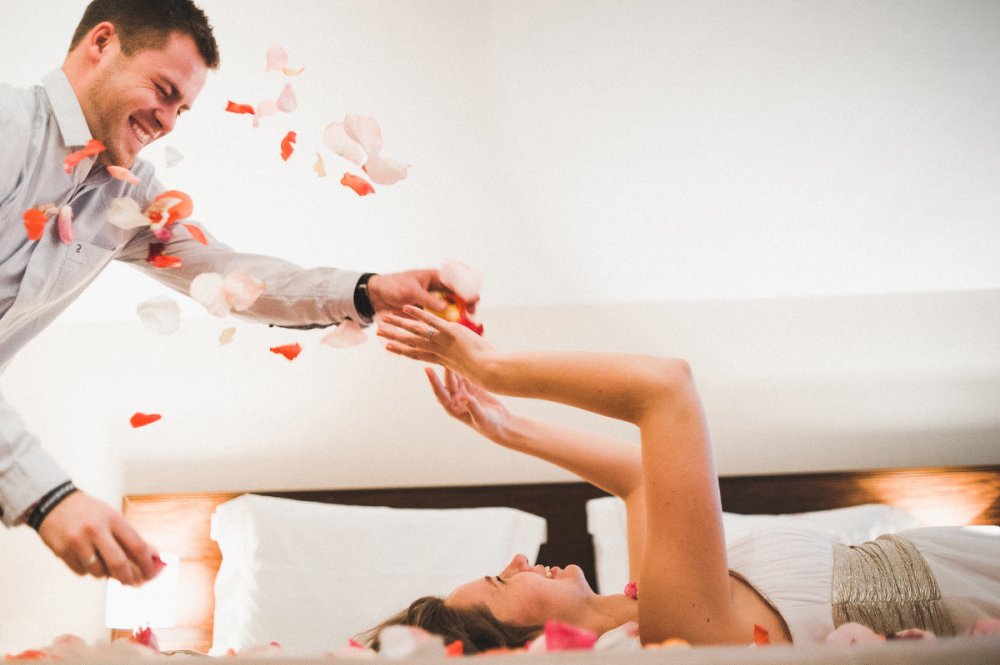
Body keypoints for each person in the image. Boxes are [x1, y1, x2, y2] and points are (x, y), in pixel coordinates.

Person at [0, 0, 452, 588]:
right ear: (102, 43)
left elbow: (229, 274)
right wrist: (47, 495)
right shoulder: (8, 126)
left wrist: (366, 291)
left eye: (182, 109)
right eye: (164, 91)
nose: (169, 122)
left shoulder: (130, 198)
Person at [366, 305, 1000, 650]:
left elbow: (641, 481)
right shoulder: (678, 633)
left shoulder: (654, 605)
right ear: (517, 645)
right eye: (504, 581)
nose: (517, 560)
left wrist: (507, 427)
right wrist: (492, 367)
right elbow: (665, 389)